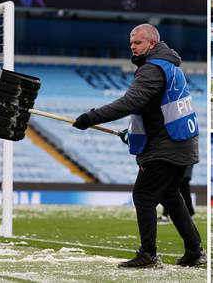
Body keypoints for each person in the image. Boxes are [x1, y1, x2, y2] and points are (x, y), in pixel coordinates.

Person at [72, 24, 205, 268]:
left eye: (138, 43)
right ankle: (194, 251)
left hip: (167, 145)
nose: (132, 47)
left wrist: (90, 118)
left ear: (152, 44)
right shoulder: (168, 66)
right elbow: (154, 110)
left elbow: (131, 102)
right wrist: (132, 132)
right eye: (131, 43)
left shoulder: (152, 69)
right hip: (180, 143)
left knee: (143, 195)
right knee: (171, 197)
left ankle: (148, 255)